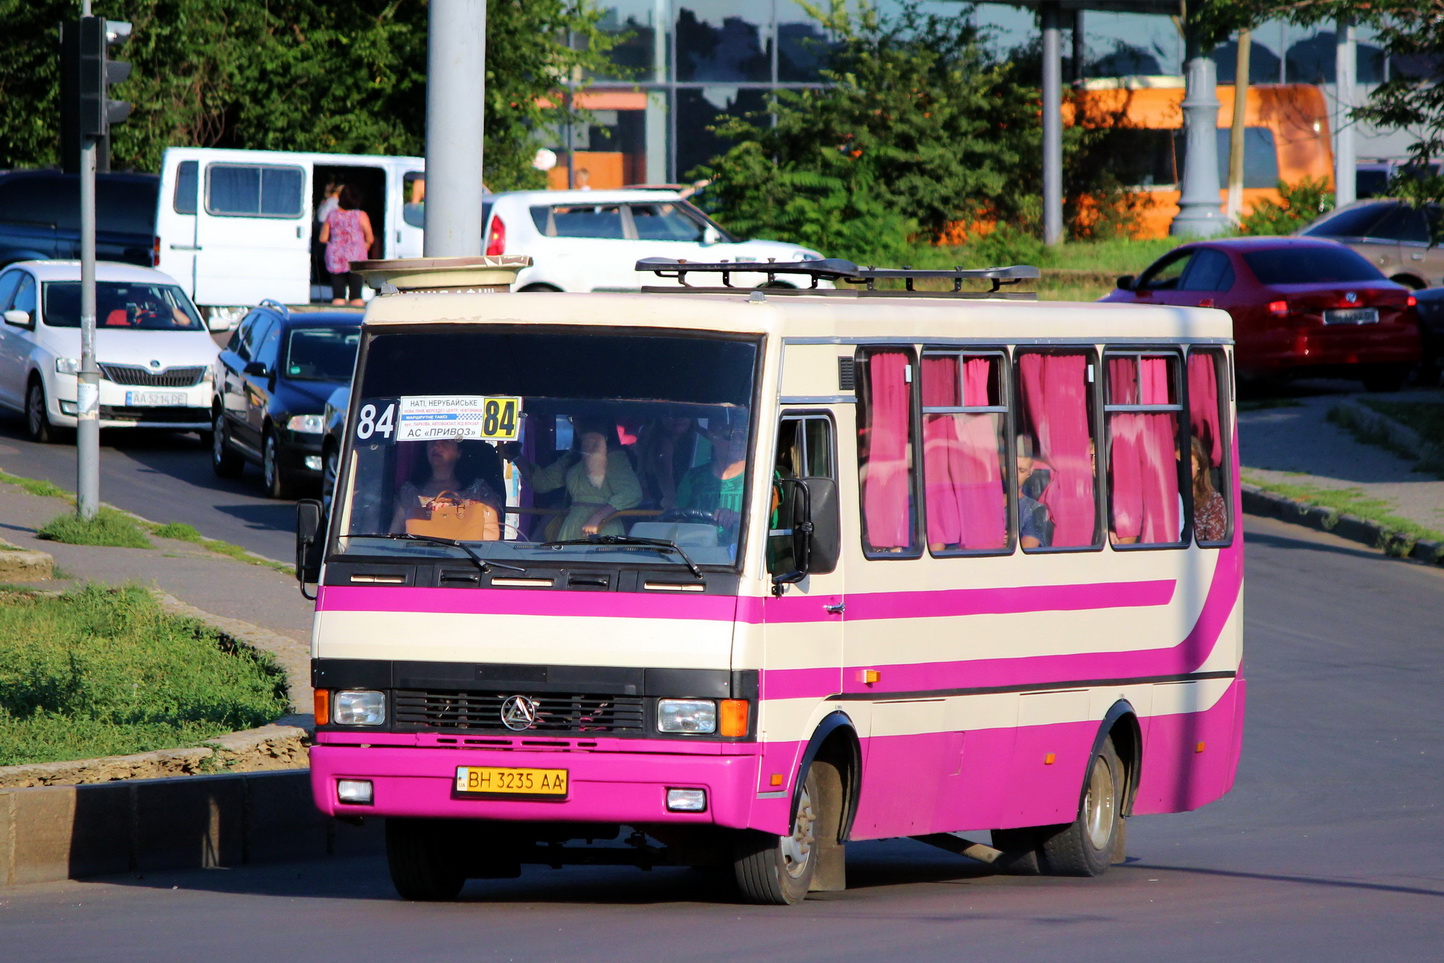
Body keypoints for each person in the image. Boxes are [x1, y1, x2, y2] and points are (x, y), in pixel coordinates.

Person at [502, 419, 642, 540]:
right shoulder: (573, 457)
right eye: (572, 419)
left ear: (599, 423)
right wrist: (516, 457)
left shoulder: (615, 457)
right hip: (572, 525)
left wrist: (598, 518)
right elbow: (542, 482)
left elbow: (631, 493)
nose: (576, 423)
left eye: (581, 419)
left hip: (603, 531)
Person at [390, 438, 504, 537]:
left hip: (466, 560)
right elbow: (394, 534)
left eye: (445, 442)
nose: (437, 445)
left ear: (459, 452)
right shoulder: (409, 492)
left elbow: (491, 535)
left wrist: (453, 518)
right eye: (432, 441)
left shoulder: (479, 491)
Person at [675, 422, 748, 538]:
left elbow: (767, 519)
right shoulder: (693, 477)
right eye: (730, 435)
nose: (738, 442)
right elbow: (676, 518)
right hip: (694, 553)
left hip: (742, 554)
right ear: (712, 437)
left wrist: (738, 517)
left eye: (743, 436)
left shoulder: (761, 477)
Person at [319, 184, 374, 306]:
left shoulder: (332, 215)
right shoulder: (361, 215)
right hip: (356, 259)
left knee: (338, 297)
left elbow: (323, 238)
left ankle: (337, 321)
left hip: (336, 258)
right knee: (356, 297)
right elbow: (370, 237)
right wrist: (365, 245)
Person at [1016, 435, 1052, 549]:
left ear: (1030, 472)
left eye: (1021, 470)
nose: (1014, 475)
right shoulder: (984, 505)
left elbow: (1027, 548)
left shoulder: (1035, 510)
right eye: (1010, 467)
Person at [1191, 435, 1227, 542]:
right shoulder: (1164, 498)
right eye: (1177, 463)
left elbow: (1213, 544)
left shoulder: (1213, 501)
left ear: (1199, 465)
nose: (1182, 468)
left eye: (1189, 464)